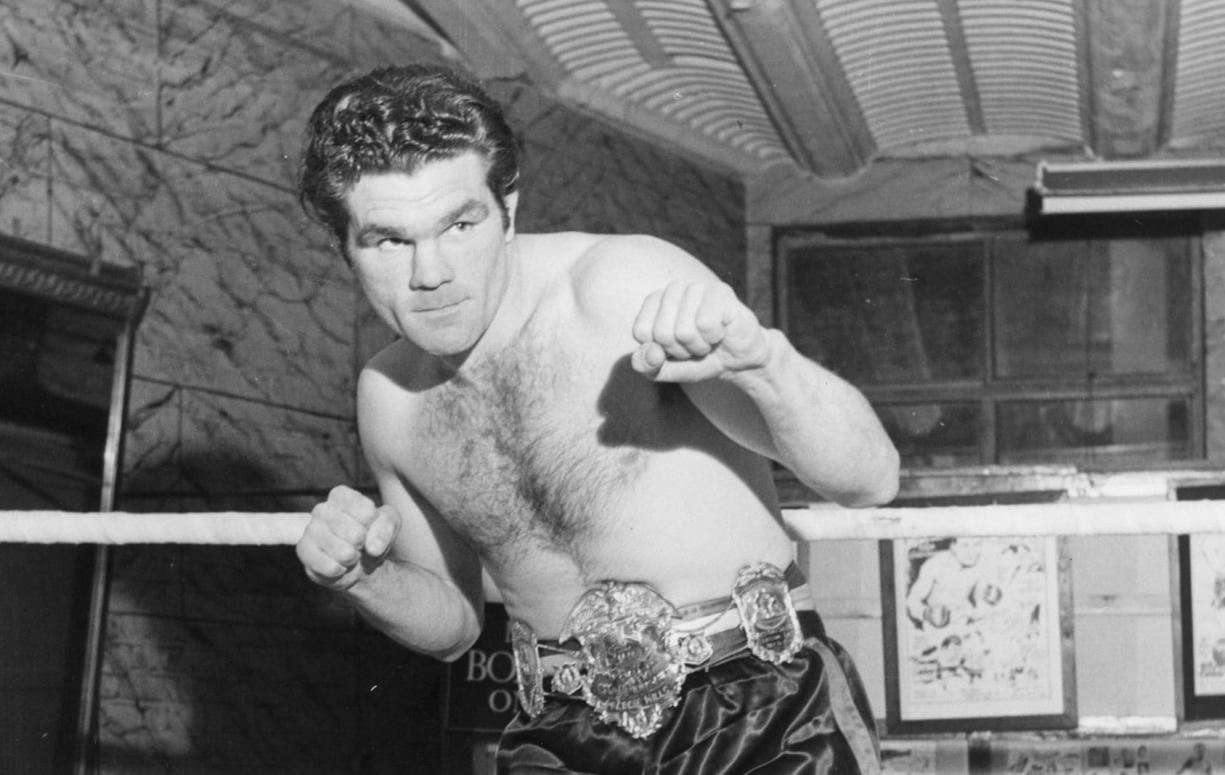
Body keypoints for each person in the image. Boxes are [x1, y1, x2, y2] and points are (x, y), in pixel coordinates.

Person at [294, 63, 900, 774]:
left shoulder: (619, 286)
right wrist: (362, 576)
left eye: (459, 224)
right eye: (390, 240)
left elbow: (870, 479)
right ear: (347, 247)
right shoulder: (388, 396)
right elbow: (455, 626)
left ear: (508, 210)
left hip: (758, 713)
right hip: (559, 733)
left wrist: (765, 365)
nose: (431, 272)